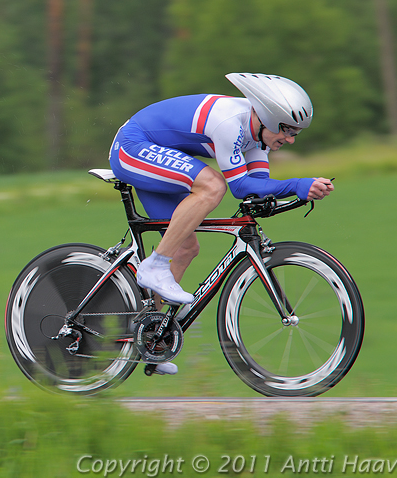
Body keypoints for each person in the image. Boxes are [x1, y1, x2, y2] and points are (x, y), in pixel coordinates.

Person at [109, 73, 334, 375]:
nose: (290, 139)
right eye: (287, 129)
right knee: (213, 185)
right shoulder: (230, 123)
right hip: (133, 147)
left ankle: (151, 336)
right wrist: (297, 184)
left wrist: (293, 192)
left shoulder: (258, 140)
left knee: (186, 247)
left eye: (296, 132)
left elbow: (257, 186)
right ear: (266, 116)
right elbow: (239, 187)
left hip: (157, 153)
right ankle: (154, 264)